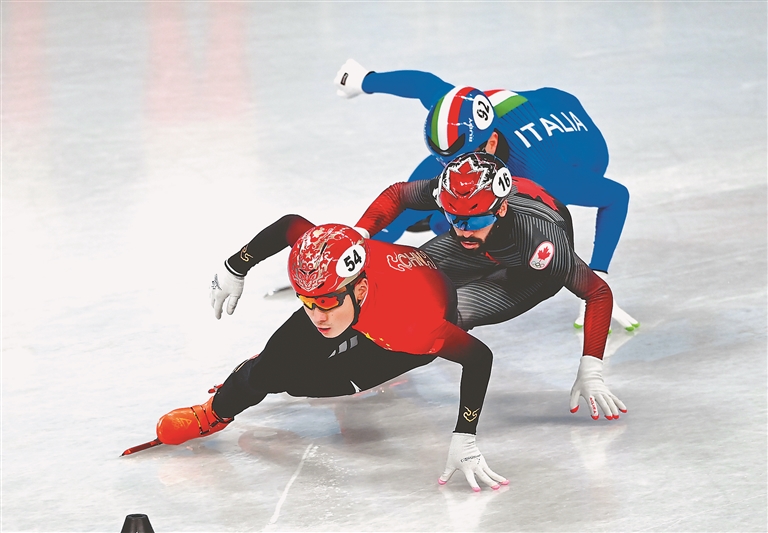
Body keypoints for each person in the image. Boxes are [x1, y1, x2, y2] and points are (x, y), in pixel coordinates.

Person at [134, 219, 509, 492]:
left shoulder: (413, 328)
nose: (317, 316)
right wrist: (238, 264)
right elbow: (291, 227)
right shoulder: (327, 265)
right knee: (269, 371)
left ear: (359, 290)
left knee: (299, 385)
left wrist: (465, 434)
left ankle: (339, 364)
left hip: (402, 334)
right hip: (376, 294)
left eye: (325, 304)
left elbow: (479, 359)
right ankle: (215, 413)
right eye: (307, 302)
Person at [334, 59, 639, 332]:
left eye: (460, 159)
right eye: (445, 158)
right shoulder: (459, 113)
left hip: (579, 147)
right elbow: (423, 83)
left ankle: (439, 221)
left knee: (480, 235)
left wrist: (598, 275)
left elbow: (616, 197)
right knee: (417, 199)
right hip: (522, 112)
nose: (451, 170)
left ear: (491, 144)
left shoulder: (545, 177)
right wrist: (364, 80)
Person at [353, 150, 627, 421]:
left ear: (502, 208)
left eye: (477, 220)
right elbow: (398, 193)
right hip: (487, 248)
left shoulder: (541, 239)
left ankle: (365, 371)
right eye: (454, 219)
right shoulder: (453, 192)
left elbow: (598, 292)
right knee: (401, 282)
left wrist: (591, 368)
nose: (466, 230)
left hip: (529, 272)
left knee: (446, 317)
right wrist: (358, 235)